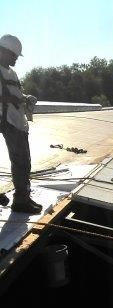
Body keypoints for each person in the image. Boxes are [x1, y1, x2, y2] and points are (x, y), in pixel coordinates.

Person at [0, 34, 42, 214]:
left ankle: (23, 196)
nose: (16, 59)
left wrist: (25, 99)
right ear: (3, 51)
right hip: (7, 119)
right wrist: (7, 99)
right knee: (20, 161)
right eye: (14, 55)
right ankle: (20, 201)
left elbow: (16, 92)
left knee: (24, 161)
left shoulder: (12, 72)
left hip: (17, 120)